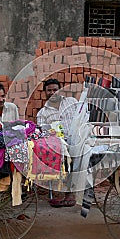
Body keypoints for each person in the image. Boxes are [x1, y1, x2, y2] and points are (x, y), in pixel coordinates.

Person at [36, 79, 78, 207]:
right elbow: (43, 133)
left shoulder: (72, 102)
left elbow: (83, 119)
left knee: (78, 152)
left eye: (55, 89)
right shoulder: (42, 113)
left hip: (77, 140)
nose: (52, 92)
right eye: (49, 90)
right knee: (59, 154)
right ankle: (61, 192)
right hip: (57, 144)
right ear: (45, 93)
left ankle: (70, 193)